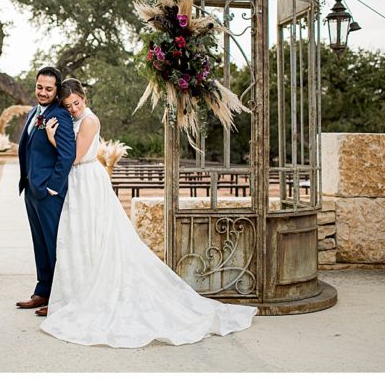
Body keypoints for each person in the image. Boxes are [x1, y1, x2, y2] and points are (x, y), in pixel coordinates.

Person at [40, 78, 258, 347]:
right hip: (78, 182)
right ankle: (81, 290)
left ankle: (96, 294)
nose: (73, 108)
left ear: (84, 98)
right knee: (81, 236)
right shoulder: (74, 118)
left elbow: (74, 157)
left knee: (95, 234)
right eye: (68, 105)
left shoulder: (89, 120)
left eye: (77, 102)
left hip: (87, 179)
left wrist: (52, 139)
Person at [15, 66, 76, 313]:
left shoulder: (60, 115)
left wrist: (53, 187)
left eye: (49, 89)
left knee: (53, 244)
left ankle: (58, 299)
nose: (43, 92)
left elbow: (67, 155)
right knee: (39, 243)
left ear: (56, 90)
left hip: (49, 193)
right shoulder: (33, 113)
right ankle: (42, 292)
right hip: (31, 189)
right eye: (40, 87)